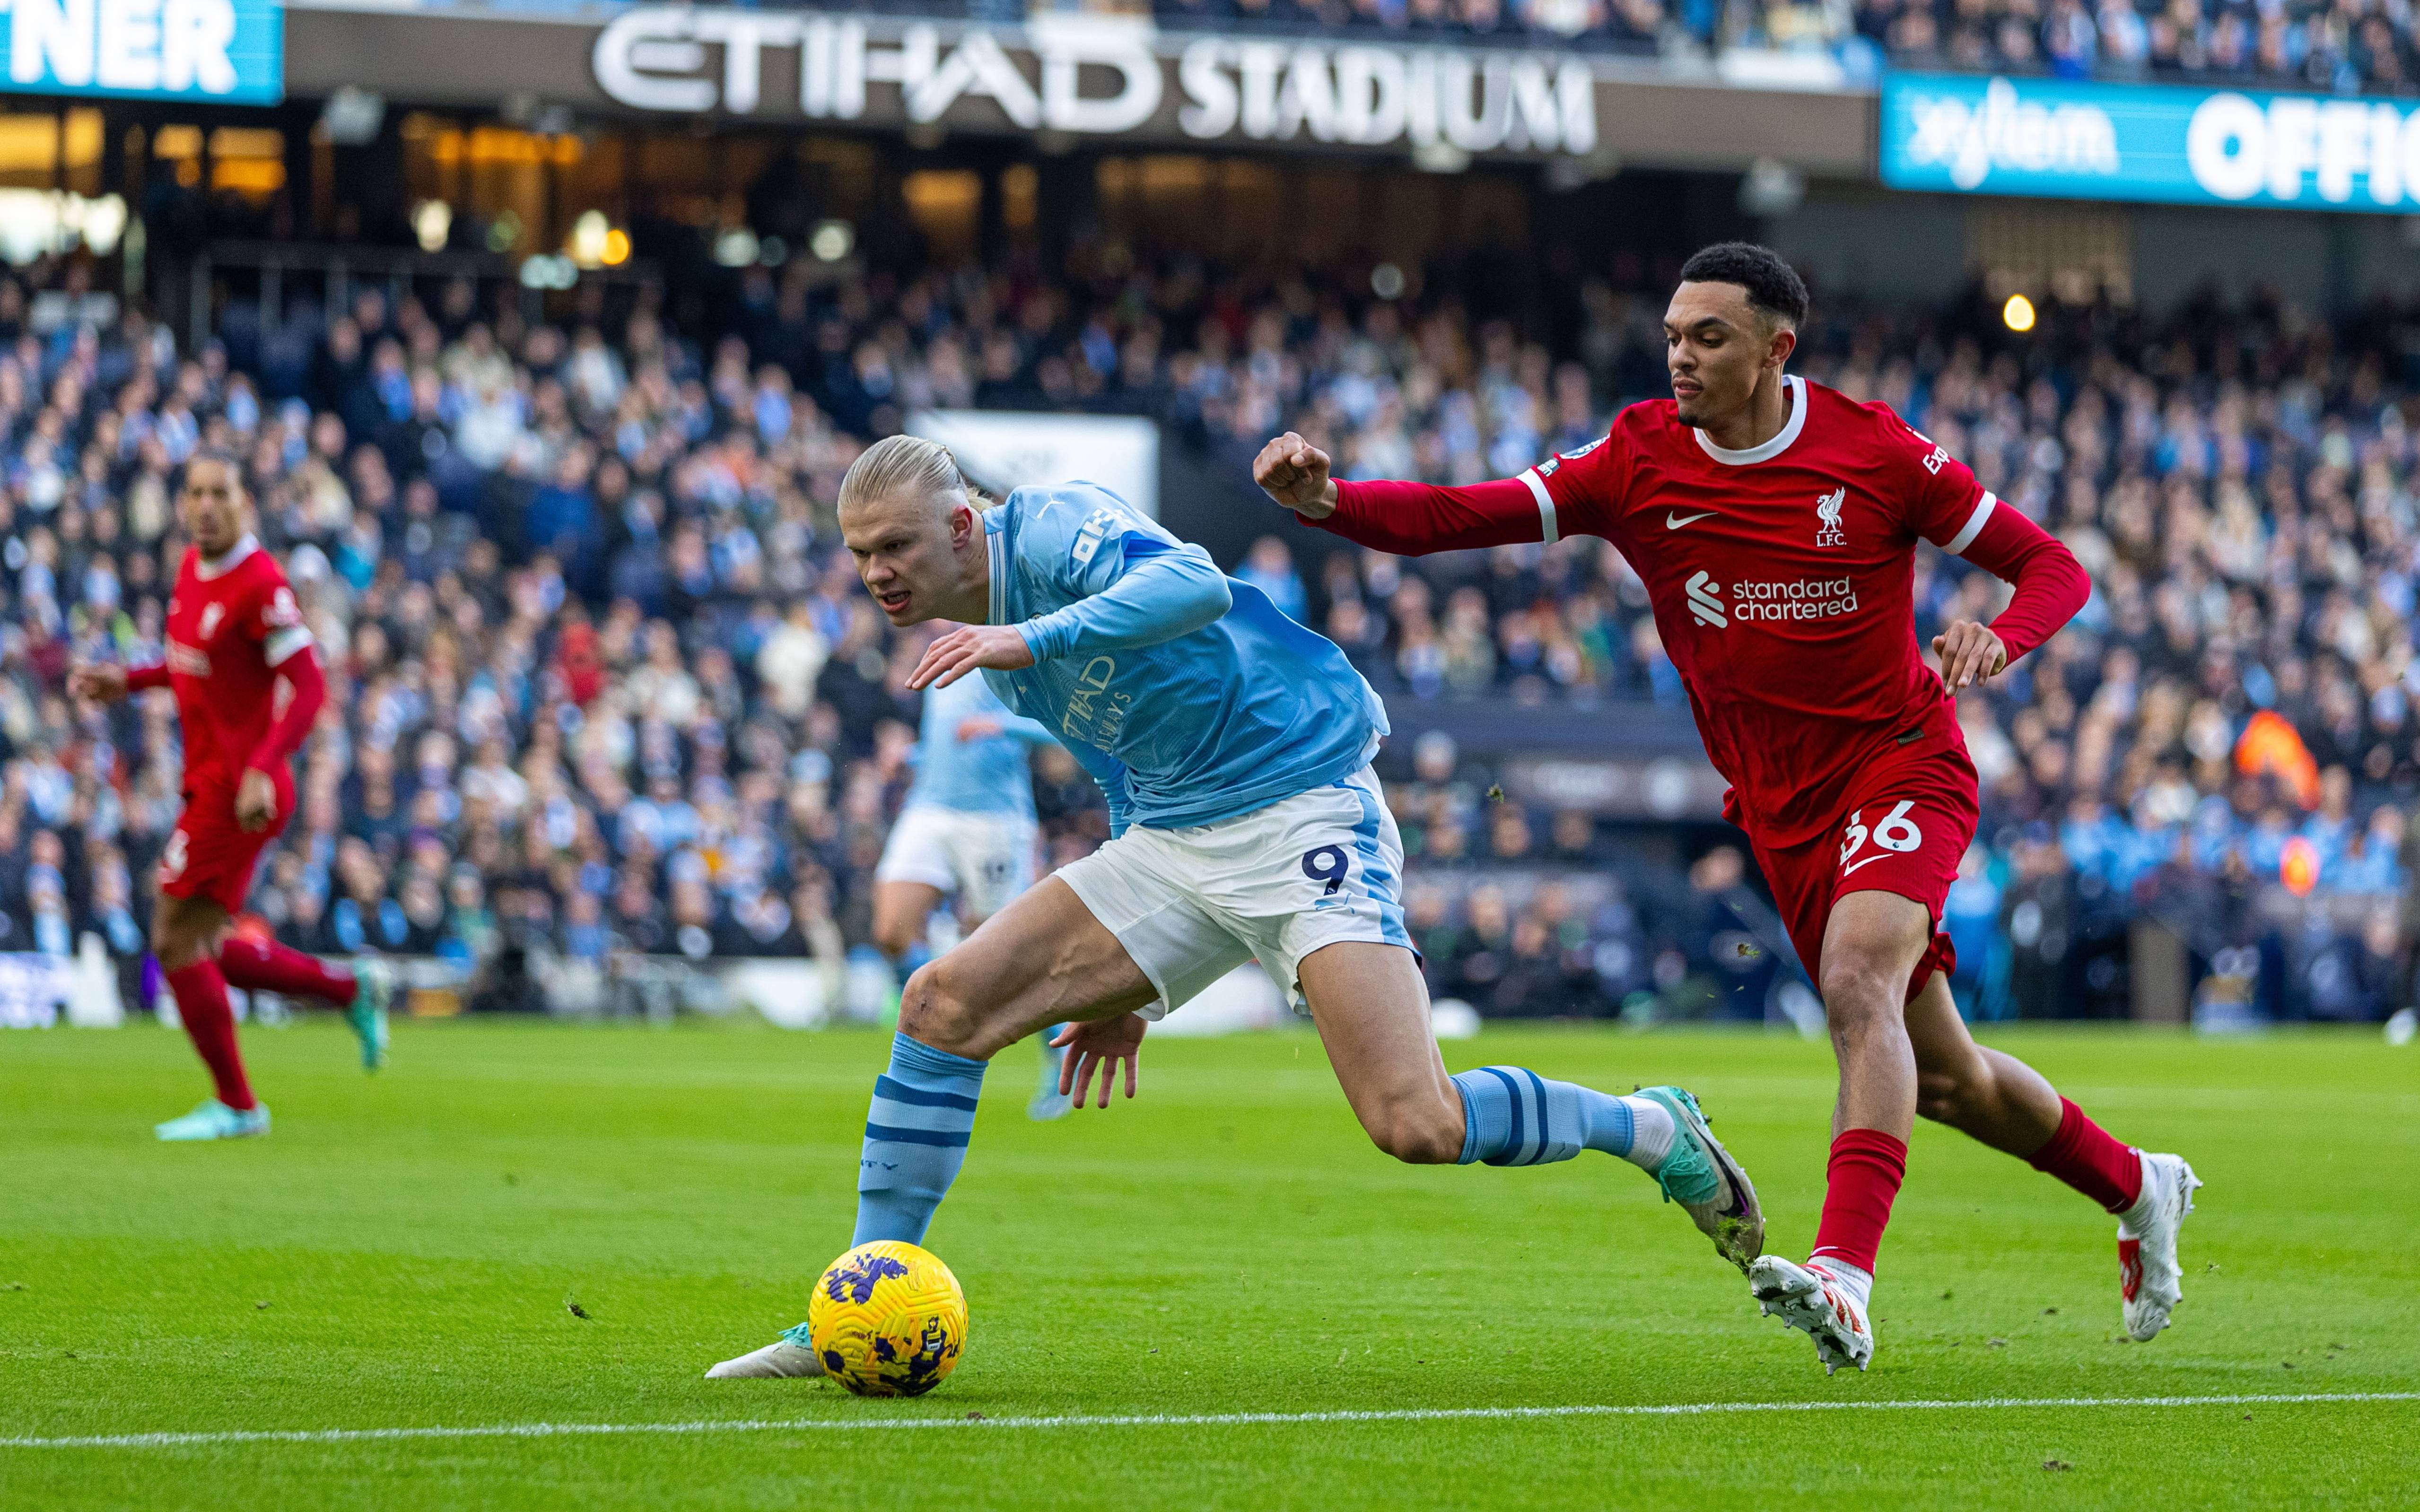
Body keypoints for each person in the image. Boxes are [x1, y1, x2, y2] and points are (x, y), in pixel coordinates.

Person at [1252, 242, 2198, 1374]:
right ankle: (2141, 1182)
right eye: (1672, 335)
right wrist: (1331, 499)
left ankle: (1844, 1275)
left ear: (1774, 348)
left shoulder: (1875, 449)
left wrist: (2003, 633)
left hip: (1902, 760)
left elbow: (2050, 564)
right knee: (1942, 1074)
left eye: (1708, 336)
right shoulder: (1639, 456)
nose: (1681, 356)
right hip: (1780, 807)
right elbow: (1466, 512)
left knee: (1859, 983)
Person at [704, 436, 1762, 1380]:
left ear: (960, 524)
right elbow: (1120, 768)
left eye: (891, 546)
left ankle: (1647, 1127)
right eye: (858, 557)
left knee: (1415, 1123)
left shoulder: (1054, 531)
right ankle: (847, 1308)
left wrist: (1029, 641)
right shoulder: (994, 652)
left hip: (1300, 804)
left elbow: (1194, 586)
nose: (876, 574)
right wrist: (1127, 987)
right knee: (939, 1005)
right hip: (1170, 838)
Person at [70, 452, 390, 1142]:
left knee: (170, 937)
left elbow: (309, 685)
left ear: (245, 500)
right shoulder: (192, 569)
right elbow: (194, 669)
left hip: (242, 789)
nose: (206, 505)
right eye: (195, 493)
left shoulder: (260, 583)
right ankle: (348, 989)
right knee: (205, 941)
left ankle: (239, 1105)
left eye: (220, 493)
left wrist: (263, 765)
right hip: (212, 781)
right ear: (182, 503)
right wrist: (131, 681)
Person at [871, 666, 1070, 1120]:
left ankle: (1058, 1053)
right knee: (890, 931)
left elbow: (1063, 728)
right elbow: (949, 742)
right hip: (928, 808)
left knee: (1006, 954)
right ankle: (935, 1025)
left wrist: (1000, 725)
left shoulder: (1019, 648)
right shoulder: (942, 654)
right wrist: (914, 757)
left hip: (994, 821)